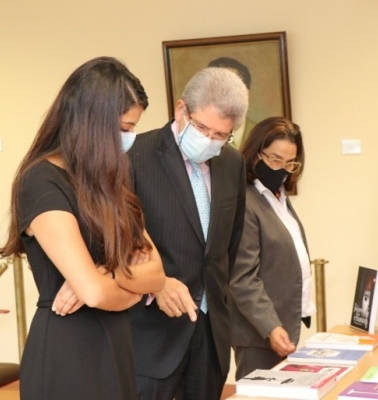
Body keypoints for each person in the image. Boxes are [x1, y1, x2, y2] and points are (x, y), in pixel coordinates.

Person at [0, 56, 166, 400]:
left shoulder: (107, 182)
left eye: (133, 128)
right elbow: (94, 295)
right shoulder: (41, 181)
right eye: (123, 128)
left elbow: (157, 274)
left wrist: (104, 273)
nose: (130, 138)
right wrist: (111, 283)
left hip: (116, 343)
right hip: (69, 351)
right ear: (91, 122)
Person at [127, 67, 249, 400]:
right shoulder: (134, 156)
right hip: (152, 335)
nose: (209, 140)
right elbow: (117, 241)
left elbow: (229, 244)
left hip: (211, 337)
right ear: (181, 110)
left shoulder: (233, 164)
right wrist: (156, 284)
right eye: (202, 128)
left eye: (221, 135)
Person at [229, 116, 315, 380]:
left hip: (282, 324)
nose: (282, 168)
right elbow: (243, 278)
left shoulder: (277, 195)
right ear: (256, 154)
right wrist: (271, 326)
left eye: (290, 162)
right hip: (260, 332)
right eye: (275, 159)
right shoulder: (247, 201)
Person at [207, 56, 257, 149]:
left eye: (229, 88)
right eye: (215, 87)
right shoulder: (196, 137)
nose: (221, 95)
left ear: (247, 94)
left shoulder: (262, 135)